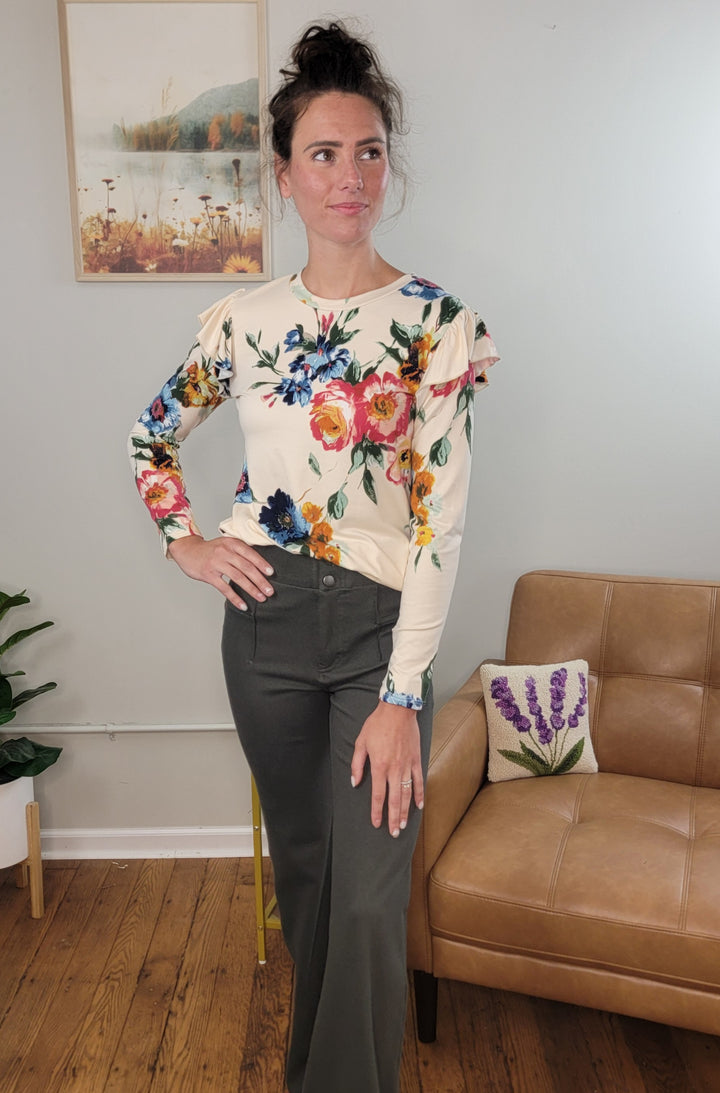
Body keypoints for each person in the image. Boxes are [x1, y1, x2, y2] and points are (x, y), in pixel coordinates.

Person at [128, 20, 498, 1093]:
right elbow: (152, 434)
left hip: (384, 633)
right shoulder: (244, 322)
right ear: (285, 176)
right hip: (269, 627)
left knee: (373, 898)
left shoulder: (438, 327)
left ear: (389, 165)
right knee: (311, 880)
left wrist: (403, 691)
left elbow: (438, 526)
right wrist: (188, 542)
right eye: (325, 154)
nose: (351, 176)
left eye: (368, 151)